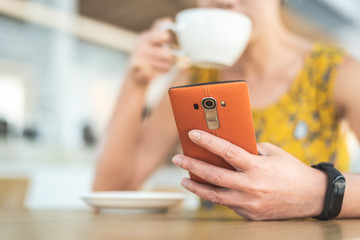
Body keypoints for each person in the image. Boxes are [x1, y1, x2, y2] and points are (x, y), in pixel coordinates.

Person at [93, 0, 360, 220]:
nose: (226, 2)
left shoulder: (337, 72)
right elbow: (111, 190)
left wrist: (317, 192)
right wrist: (135, 83)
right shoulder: (191, 80)